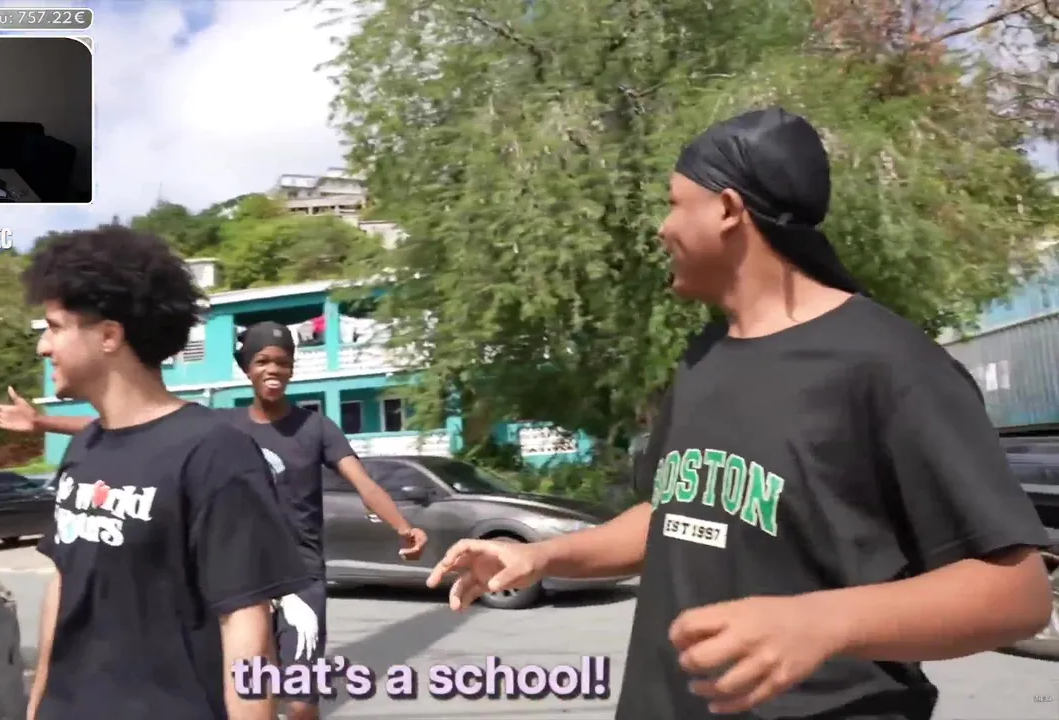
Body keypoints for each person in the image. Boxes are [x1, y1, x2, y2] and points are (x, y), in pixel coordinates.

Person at [423, 107, 1054, 720]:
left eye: (675, 203)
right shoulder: (705, 357)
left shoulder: (890, 364)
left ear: (728, 210)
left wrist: (821, 622)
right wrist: (543, 557)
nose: (662, 228)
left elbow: (1016, 594)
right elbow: (676, 516)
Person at [0, 331, 429, 720]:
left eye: (283, 363)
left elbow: (363, 482)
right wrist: (41, 423)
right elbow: (131, 426)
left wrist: (402, 526)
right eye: (263, 361)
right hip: (236, 578)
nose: (274, 370)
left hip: (299, 576)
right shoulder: (222, 427)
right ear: (246, 369)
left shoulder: (317, 427)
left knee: (300, 702)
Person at [15, 226, 312, 720]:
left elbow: (247, 627)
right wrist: (37, 706)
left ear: (109, 336)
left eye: (54, 327)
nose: (44, 347)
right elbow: (65, 587)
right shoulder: (84, 447)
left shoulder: (215, 452)